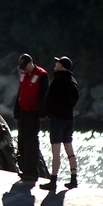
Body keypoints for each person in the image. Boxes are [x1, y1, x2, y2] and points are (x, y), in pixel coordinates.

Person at [42, 56, 81, 191]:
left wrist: (48, 112)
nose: (56, 64)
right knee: (69, 148)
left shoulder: (57, 80)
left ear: (62, 66)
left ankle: (53, 180)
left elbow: (50, 98)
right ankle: (74, 178)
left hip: (57, 119)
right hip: (69, 118)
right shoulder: (72, 81)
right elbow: (74, 100)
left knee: (56, 150)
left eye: (58, 63)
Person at [14, 53, 49, 182]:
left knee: (31, 142)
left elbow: (43, 95)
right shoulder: (23, 75)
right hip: (23, 111)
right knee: (22, 141)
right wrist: (16, 112)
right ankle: (24, 169)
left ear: (31, 63)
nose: (23, 69)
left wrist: (42, 113)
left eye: (25, 66)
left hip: (34, 112)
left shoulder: (42, 75)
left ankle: (33, 171)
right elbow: (20, 93)